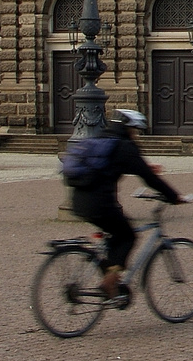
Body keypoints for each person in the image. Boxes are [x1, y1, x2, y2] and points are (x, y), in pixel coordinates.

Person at [69, 109, 184, 299]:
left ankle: (108, 269)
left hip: (79, 201)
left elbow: (117, 165)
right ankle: (109, 281)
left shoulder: (101, 139)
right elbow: (149, 179)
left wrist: (146, 168)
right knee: (128, 236)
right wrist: (174, 196)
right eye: (135, 130)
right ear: (128, 128)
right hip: (100, 204)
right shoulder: (125, 147)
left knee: (115, 235)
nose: (135, 134)